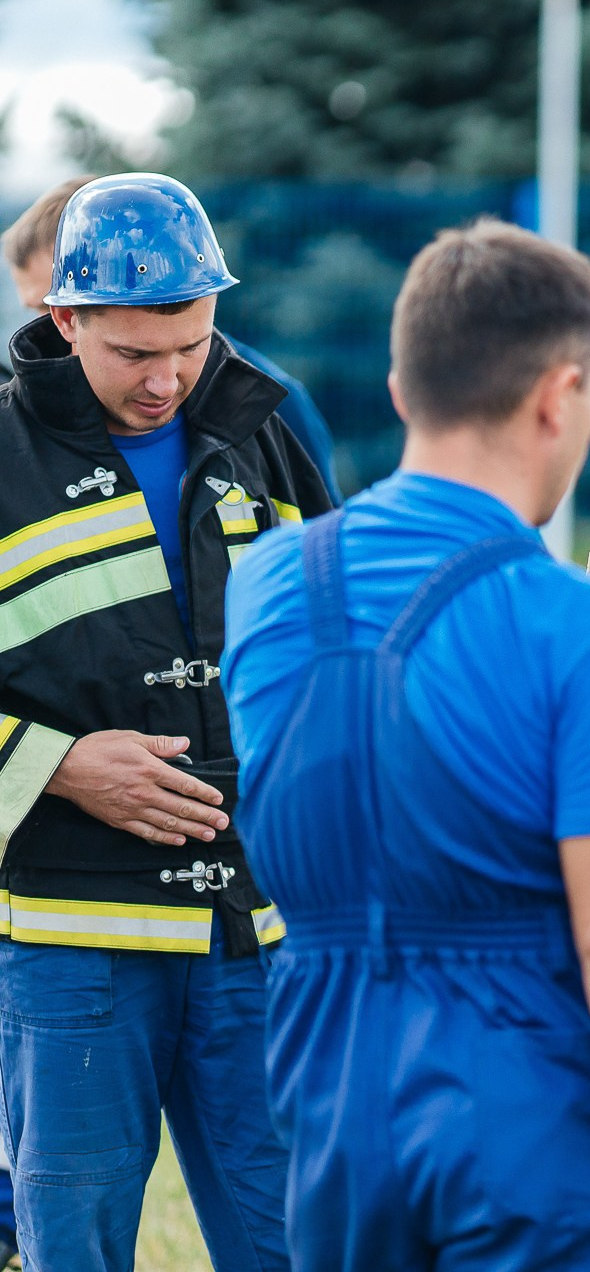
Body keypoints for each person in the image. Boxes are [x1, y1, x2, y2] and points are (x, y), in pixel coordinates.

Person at [221, 219, 590, 1271]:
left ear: (405, 389)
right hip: (526, 1117)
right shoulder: (586, 631)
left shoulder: (265, 585)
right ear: (559, 396)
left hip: (327, 1113)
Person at [0, 173, 332, 1270]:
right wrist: (53, 764)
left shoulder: (265, 429)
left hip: (255, 931)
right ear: (65, 318)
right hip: (68, 949)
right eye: (133, 353)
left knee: (294, 1240)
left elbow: (333, 643)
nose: (168, 379)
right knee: (73, 1249)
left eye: (188, 343)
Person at [5, 176, 343, 500]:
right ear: (68, 318)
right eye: (39, 309)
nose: (164, 385)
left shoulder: (266, 409)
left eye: (191, 346)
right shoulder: (15, 440)